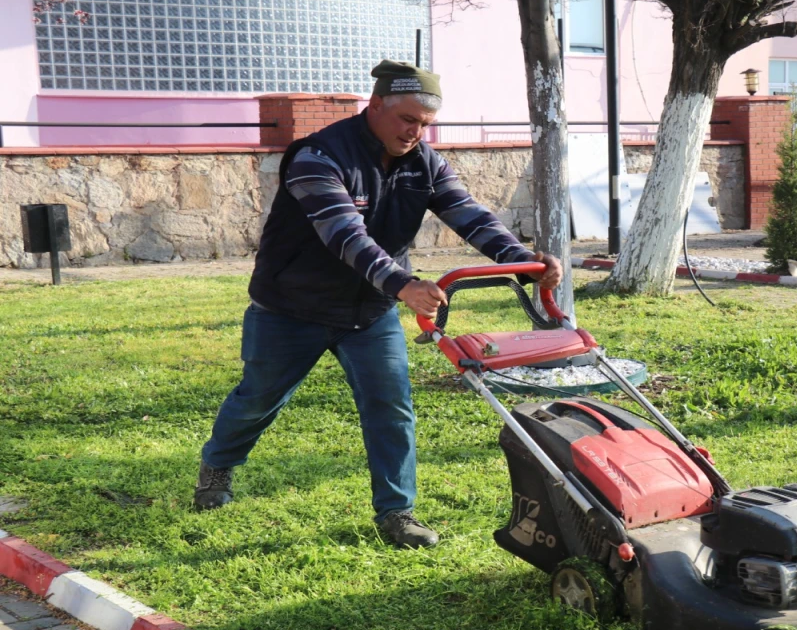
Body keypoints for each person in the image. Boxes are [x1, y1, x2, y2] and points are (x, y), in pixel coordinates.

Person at [194, 60, 562, 549]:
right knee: (259, 398)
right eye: (407, 120)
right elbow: (344, 234)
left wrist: (520, 261)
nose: (415, 133)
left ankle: (397, 512)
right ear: (375, 106)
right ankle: (217, 466)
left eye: (425, 125)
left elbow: (468, 214)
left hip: (369, 311)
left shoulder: (424, 162)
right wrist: (403, 283)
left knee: (390, 407)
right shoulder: (318, 156)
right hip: (290, 307)